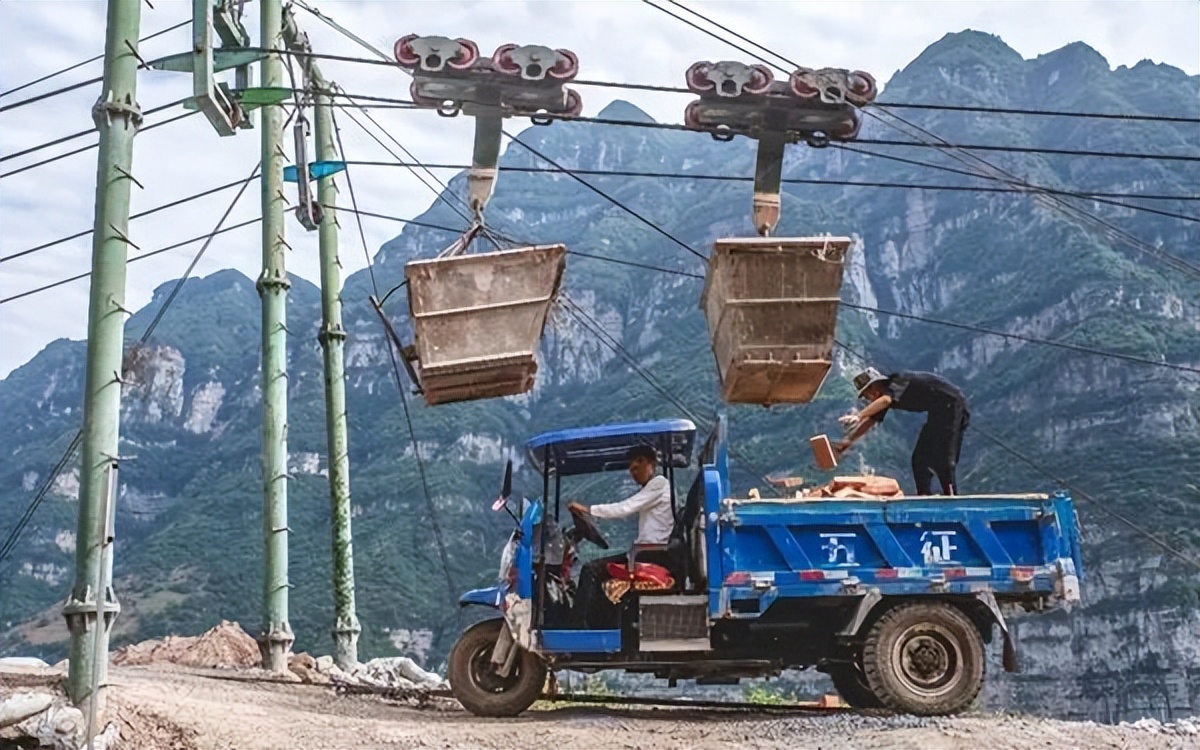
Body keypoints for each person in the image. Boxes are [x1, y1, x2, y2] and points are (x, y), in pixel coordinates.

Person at [566, 445, 674, 627]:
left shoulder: (660, 483)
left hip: (649, 553)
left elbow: (625, 507)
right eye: (631, 470)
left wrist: (588, 509)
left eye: (636, 468)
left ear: (648, 463)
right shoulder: (653, 489)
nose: (633, 474)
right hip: (644, 552)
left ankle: (577, 630)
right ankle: (600, 625)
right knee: (598, 574)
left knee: (590, 570)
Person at [836, 367, 970, 496]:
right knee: (919, 459)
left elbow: (885, 401)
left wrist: (858, 416)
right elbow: (871, 420)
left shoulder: (897, 382)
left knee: (944, 457)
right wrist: (848, 441)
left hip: (952, 404)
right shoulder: (886, 397)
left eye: (867, 395)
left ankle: (951, 496)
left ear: (874, 387)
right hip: (937, 412)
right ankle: (924, 495)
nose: (868, 399)